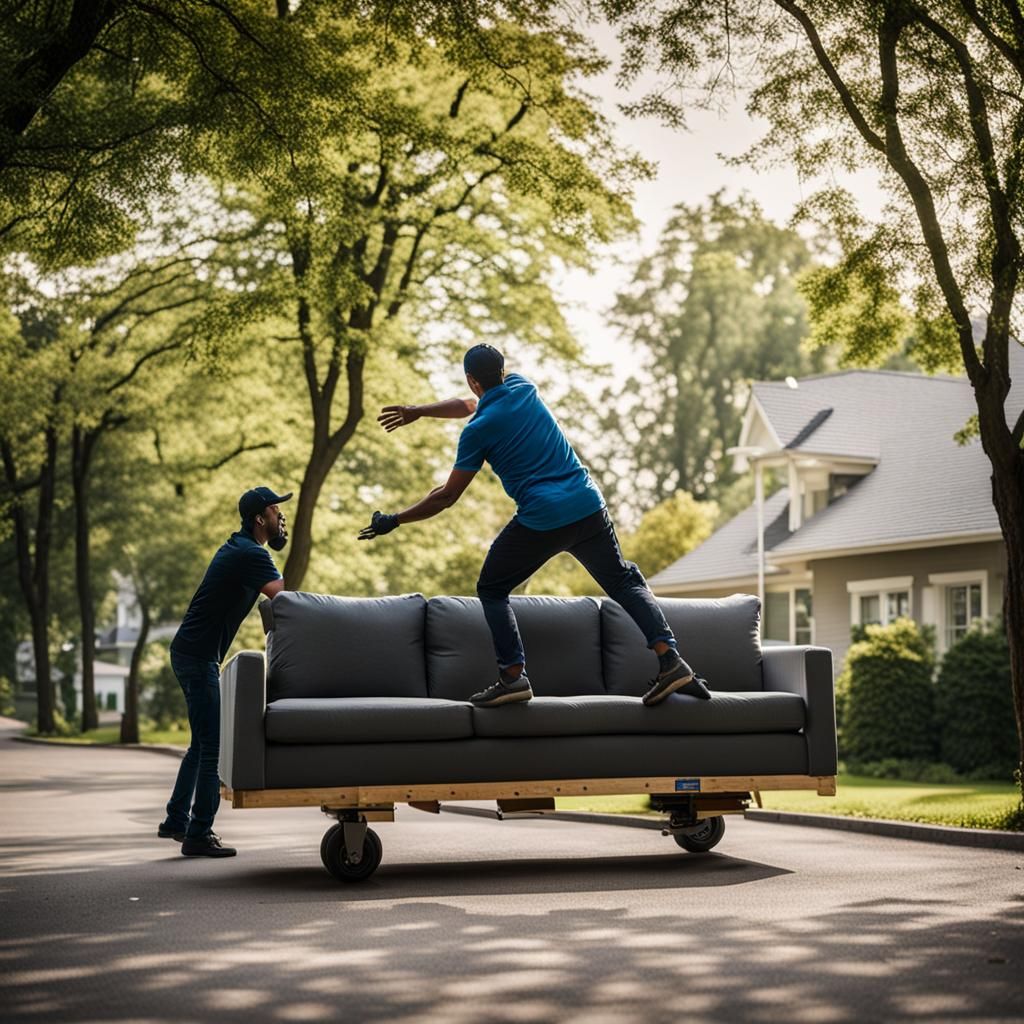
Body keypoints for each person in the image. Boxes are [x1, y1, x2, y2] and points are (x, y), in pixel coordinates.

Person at [358, 344, 710, 708]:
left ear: (471, 379)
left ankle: (512, 676)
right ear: (502, 371)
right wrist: (419, 411)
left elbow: (446, 496)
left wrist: (394, 520)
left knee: (492, 587)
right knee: (623, 579)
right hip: (588, 506)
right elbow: (468, 404)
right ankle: (670, 660)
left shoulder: (477, 431)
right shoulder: (523, 387)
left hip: (543, 518)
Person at [158, 486, 290, 857]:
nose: (281, 518)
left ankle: (176, 819)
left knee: (201, 743)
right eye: (276, 511)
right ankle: (198, 834)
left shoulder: (240, 548)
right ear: (259, 518)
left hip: (190, 653)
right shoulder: (250, 554)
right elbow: (284, 597)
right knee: (211, 747)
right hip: (197, 657)